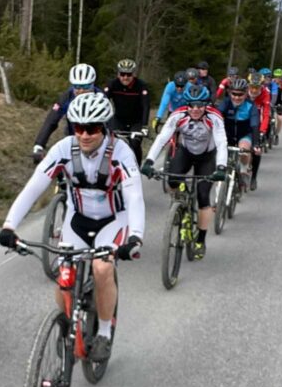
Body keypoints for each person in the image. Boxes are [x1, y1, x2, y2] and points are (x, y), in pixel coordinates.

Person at [0, 92, 145, 363]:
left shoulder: (121, 152)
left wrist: (135, 237)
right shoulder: (64, 149)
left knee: (102, 268)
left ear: (105, 127)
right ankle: (67, 325)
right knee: (64, 275)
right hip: (78, 219)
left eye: (92, 128)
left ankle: (103, 332)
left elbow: (135, 196)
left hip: (113, 220)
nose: (85, 135)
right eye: (79, 128)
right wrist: (9, 225)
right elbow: (33, 188)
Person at [141, 83, 227, 260]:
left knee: (204, 196)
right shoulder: (178, 115)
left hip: (207, 156)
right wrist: (149, 161)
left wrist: (221, 167)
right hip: (186, 152)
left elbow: (221, 142)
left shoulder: (214, 117)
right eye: (192, 105)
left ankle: (201, 240)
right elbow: (162, 138)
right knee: (172, 179)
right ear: (187, 105)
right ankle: (180, 206)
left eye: (200, 105)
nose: (195, 109)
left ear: (206, 105)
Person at [32, 63, 101, 163]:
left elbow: (109, 123)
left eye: (86, 86)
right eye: (77, 86)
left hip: (95, 140)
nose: (81, 91)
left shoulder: (100, 97)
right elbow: (51, 120)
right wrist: (39, 144)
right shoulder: (67, 96)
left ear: (93, 84)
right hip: (73, 137)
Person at [103, 58, 150, 163]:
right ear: (118, 74)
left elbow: (146, 106)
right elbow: (103, 101)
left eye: (129, 75)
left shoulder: (141, 86)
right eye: (122, 74)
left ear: (134, 74)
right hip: (119, 120)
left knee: (134, 143)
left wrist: (144, 126)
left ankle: (136, 167)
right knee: (113, 143)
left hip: (136, 121)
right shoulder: (112, 84)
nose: (125, 77)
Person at [215, 77, 260, 187]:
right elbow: (216, 118)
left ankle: (245, 172)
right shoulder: (225, 103)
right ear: (230, 93)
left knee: (244, 151)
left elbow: (254, 125)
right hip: (227, 135)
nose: (236, 97)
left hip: (244, 134)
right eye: (234, 94)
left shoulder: (251, 106)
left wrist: (255, 144)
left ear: (246, 94)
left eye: (240, 95)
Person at [247, 77, 271, 188]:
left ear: (262, 86)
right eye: (252, 87)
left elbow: (266, 115)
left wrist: (262, 131)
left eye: (257, 88)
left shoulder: (266, 93)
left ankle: (253, 178)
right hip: (244, 121)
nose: (254, 91)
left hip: (258, 123)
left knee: (257, 150)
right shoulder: (243, 91)